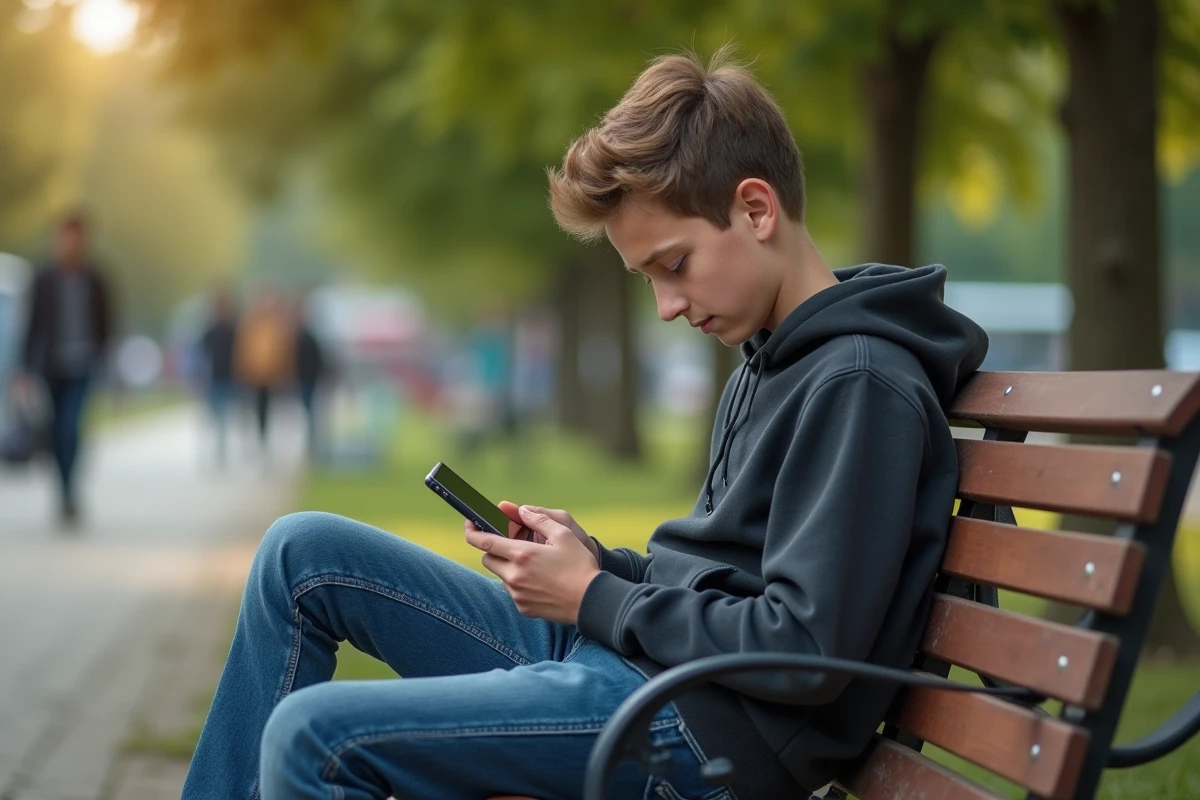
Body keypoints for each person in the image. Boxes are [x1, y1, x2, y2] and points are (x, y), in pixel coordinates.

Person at [182, 48, 988, 800]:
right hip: (640, 670)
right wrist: (592, 562)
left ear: (755, 208)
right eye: (647, 279)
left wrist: (594, 595)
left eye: (674, 266)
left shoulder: (857, 383)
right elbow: (716, 578)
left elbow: (804, 654)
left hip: (694, 734)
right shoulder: (776, 358)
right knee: (303, 554)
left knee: (311, 735)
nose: (667, 307)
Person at [16, 213, 113, 523]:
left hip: (83, 364)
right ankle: (63, 490)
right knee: (56, 430)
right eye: (65, 236)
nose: (70, 243)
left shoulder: (95, 278)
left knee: (71, 428)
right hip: (51, 365)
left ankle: (70, 489)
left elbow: (106, 323)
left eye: (76, 236)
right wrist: (24, 369)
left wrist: (105, 358)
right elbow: (31, 325)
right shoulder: (43, 277)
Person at [233, 290, 292, 455]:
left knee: (267, 409)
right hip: (254, 375)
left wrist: (283, 371)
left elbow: (282, 351)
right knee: (253, 408)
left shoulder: (276, 326)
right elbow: (244, 349)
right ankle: (256, 439)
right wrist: (242, 369)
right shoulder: (250, 325)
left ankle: (265, 439)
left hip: (270, 375)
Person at [199, 288, 239, 467]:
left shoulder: (233, 330)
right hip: (213, 378)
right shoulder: (210, 330)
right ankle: (215, 450)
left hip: (229, 377)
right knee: (214, 416)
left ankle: (222, 450)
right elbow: (201, 354)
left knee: (225, 415)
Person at [291, 292, 327, 461]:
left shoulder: (307, 336)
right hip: (304, 379)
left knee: (310, 413)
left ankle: (312, 447)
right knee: (307, 414)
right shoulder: (300, 336)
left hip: (308, 379)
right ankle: (311, 446)